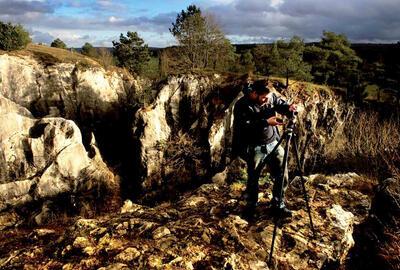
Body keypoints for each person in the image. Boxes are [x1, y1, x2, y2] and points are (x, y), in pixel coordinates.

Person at [232, 79, 297, 220]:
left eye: (268, 98)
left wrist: (288, 108)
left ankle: (278, 204)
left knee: (282, 172)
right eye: (263, 98)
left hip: (273, 142)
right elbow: (243, 127)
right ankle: (251, 206)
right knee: (253, 177)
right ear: (254, 93)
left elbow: (280, 104)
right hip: (254, 146)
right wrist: (266, 122)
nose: (266, 100)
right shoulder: (241, 105)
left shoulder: (270, 96)